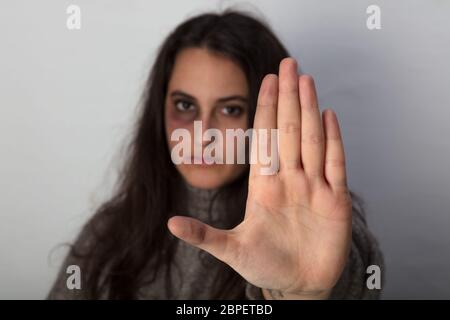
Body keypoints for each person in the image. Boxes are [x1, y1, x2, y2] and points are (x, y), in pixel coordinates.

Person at [47, 9, 383, 300]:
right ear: (158, 110)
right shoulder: (111, 229)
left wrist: (303, 293)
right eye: (185, 105)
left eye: (231, 109)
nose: (202, 134)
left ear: (270, 118)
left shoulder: (312, 218)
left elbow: (350, 274)